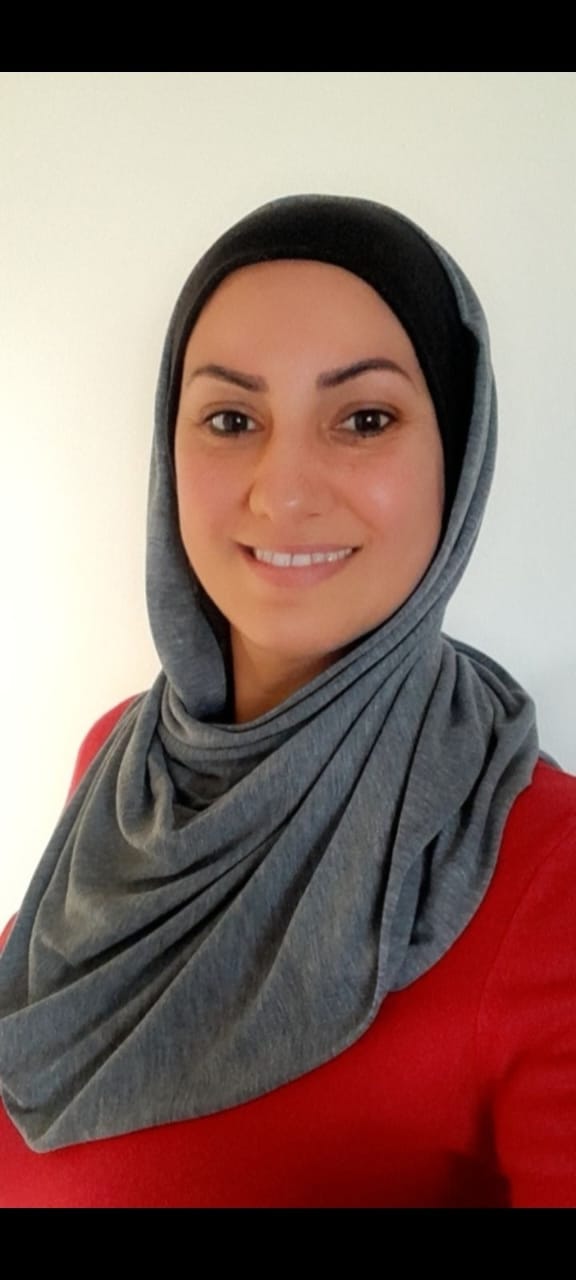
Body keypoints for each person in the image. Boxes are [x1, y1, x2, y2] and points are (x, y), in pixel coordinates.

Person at [0, 196, 575, 1208]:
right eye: (232, 419)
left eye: (365, 419)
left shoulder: (550, 877)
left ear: (458, 455)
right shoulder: (125, 761)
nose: (285, 489)